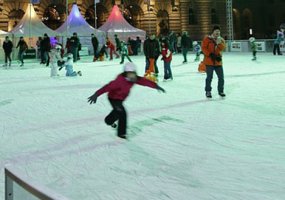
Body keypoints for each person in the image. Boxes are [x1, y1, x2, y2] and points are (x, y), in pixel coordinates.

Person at [87, 62, 166, 139]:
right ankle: (121, 134)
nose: (132, 75)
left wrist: (155, 86)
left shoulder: (134, 79)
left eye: (133, 73)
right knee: (122, 113)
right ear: (125, 73)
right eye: (130, 73)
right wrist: (96, 94)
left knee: (118, 111)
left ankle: (108, 121)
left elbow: (144, 81)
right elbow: (107, 87)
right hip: (113, 98)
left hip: (121, 99)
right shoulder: (119, 81)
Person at [201, 25, 226, 98]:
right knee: (209, 77)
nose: (217, 33)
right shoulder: (207, 39)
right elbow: (203, 48)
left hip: (218, 62)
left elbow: (223, 48)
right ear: (213, 32)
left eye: (219, 31)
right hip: (209, 62)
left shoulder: (221, 40)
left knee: (221, 77)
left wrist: (219, 43)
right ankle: (208, 91)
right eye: (216, 31)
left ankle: (221, 91)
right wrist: (210, 54)